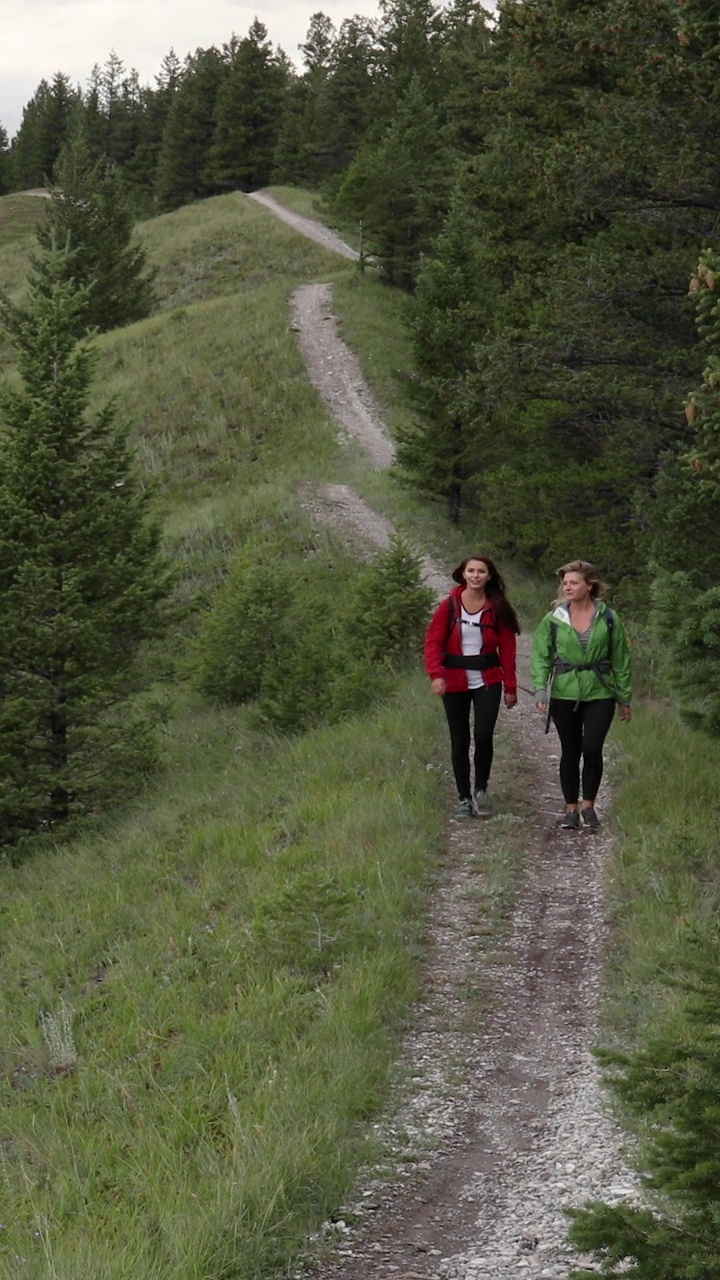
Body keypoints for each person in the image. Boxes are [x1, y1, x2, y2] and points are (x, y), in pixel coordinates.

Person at [531, 560, 632, 832]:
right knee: (570, 750)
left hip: (600, 691)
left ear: (589, 585)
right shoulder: (553, 619)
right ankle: (570, 809)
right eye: (565, 583)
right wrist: (541, 687)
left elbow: (621, 659)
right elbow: (541, 655)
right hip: (565, 692)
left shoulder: (609, 618)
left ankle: (589, 806)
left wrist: (625, 699)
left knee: (592, 749)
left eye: (573, 582)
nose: (568, 587)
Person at [425, 555, 520, 819]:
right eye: (471, 571)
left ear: (489, 576)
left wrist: (510, 686)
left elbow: (508, 649)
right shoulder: (449, 607)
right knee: (459, 738)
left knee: (483, 735)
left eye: (481, 571)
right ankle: (464, 797)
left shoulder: (497, 608)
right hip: (454, 679)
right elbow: (433, 642)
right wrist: (436, 675)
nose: (476, 575)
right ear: (463, 574)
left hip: (488, 679)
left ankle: (481, 789)